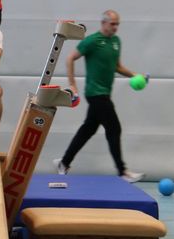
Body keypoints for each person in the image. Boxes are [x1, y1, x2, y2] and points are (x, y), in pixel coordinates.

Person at [54, 10, 146, 183]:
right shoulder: (92, 41)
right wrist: (72, 84)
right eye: (112, 24)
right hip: (95, 93)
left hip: (104, 92)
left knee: (88, 129)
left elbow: (117, 66)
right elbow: (70, 58)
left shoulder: (116, 42)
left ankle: (64, 162)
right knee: (114, 128)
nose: (115, 27)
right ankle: (122, 171)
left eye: (117, 24)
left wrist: (135, 75)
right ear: (103, 23)